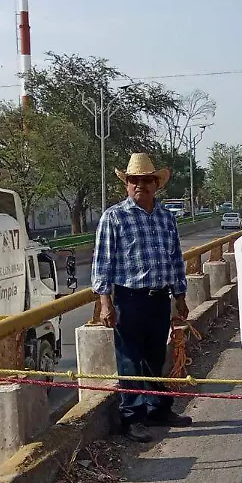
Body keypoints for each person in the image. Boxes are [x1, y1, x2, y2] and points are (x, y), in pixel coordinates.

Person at [93, 153, 191, 444]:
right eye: (134, 181)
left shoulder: (165, 217)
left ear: (155, 184)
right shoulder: (114, 217)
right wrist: (105, 303)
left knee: (155, 356)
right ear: (126, 184)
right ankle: (132, 417)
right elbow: (103, 263)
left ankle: (158, 409)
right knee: (130, 360)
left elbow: (175, 259)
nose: (140, 186)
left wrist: (180, 295)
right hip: (129, 298)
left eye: (146, 181)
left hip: (159, 298)